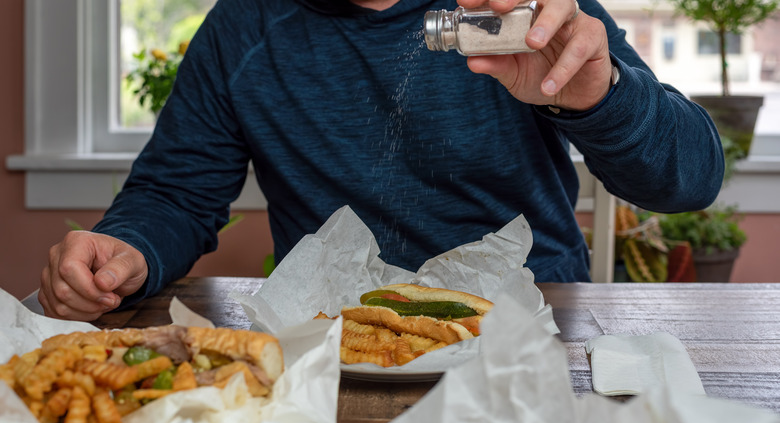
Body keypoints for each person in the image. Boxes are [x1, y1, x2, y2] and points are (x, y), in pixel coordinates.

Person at [39, 0, 724, 321]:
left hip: (529, 329)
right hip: (336, 343)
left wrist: (597, 97)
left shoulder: (515, 13)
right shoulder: (243, 26)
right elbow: (176, 195)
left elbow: (690, 179)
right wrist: (123, 247)